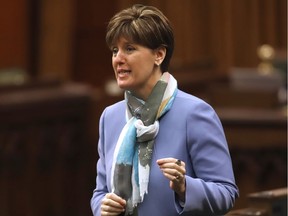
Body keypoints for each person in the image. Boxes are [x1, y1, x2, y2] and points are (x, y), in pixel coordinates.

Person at [91, 4, 239, 216]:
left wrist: (184, 187)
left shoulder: (195, 113)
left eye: (129, 49)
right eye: (115, 50)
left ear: (159, 55)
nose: (118, 59)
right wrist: (102, 207)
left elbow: (226, 193)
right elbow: (101, 192)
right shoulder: (110, 117)